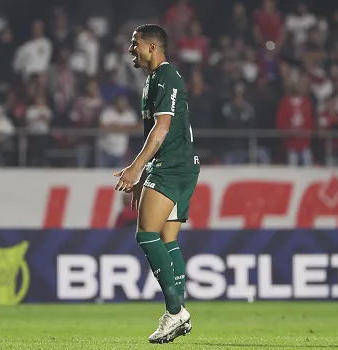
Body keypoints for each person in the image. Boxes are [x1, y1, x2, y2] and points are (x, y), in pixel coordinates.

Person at [114, 24, 199, 344]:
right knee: (167, 237)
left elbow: (162, 128)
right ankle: (180, 311)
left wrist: (137, 168)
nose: (130, 49)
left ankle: (175, 312)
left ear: (152, 47)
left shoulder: (165, 77)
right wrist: (144, 171)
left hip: (172, 167)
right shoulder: (155, 80)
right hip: (175, 166)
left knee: (146, 234)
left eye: (134, 43)